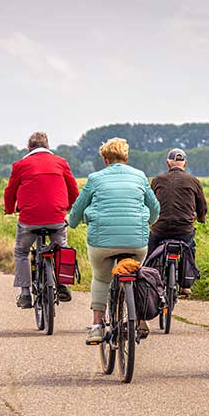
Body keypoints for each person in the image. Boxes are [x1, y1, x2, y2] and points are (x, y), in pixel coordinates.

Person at [68, 137, 160, 344]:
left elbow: (77, 209)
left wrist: (72, 222)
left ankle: (97, 326)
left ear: (105, 159)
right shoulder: (139, 176)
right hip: (136, 241)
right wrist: (149, 221)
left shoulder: (95, 178)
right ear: (126, 157)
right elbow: (155, 208)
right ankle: (140, 318)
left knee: (101, 278)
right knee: (136, 273)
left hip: (102, 243)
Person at [4, 131, 79, 309]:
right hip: (56, 217)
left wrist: (9, 209)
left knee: (21, 252)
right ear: (47, 147)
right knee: (62, 249)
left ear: (29, 148)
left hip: (29, 220)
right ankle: (63, 284)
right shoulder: (61, 163)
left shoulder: (20, 165)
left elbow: (10, 191)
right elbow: (73, 190)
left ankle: (24, 293)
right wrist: (67, 207)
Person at [147, 148, 208, 295]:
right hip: (184, 231)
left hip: (160, 229)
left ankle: (148, 280)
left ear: (168, 163)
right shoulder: (194, 181)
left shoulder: (157, 180)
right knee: (190, 247)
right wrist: (200, 218)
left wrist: (149, 220)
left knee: (150, 251)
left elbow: (148, 204)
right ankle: (186, 284)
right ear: (184, 163)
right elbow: (202, 206)